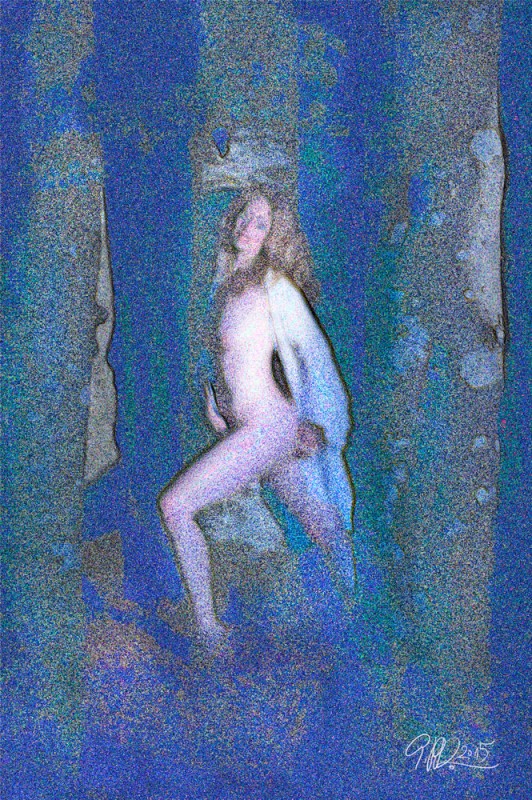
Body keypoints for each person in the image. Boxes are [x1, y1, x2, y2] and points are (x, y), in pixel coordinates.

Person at [158, 186, 356, 653]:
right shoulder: (222, 279)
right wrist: (213, 403)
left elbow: (315, 357)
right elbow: (220, 356)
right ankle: (360, 617)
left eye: (262, 224)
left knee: (175, 506)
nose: (249, 228)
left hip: (271, 429)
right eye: (245, 217)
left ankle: (211, 633)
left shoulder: (274, 285)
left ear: (274, 235)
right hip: (256, 430)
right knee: (325, 528)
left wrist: (321, 424)